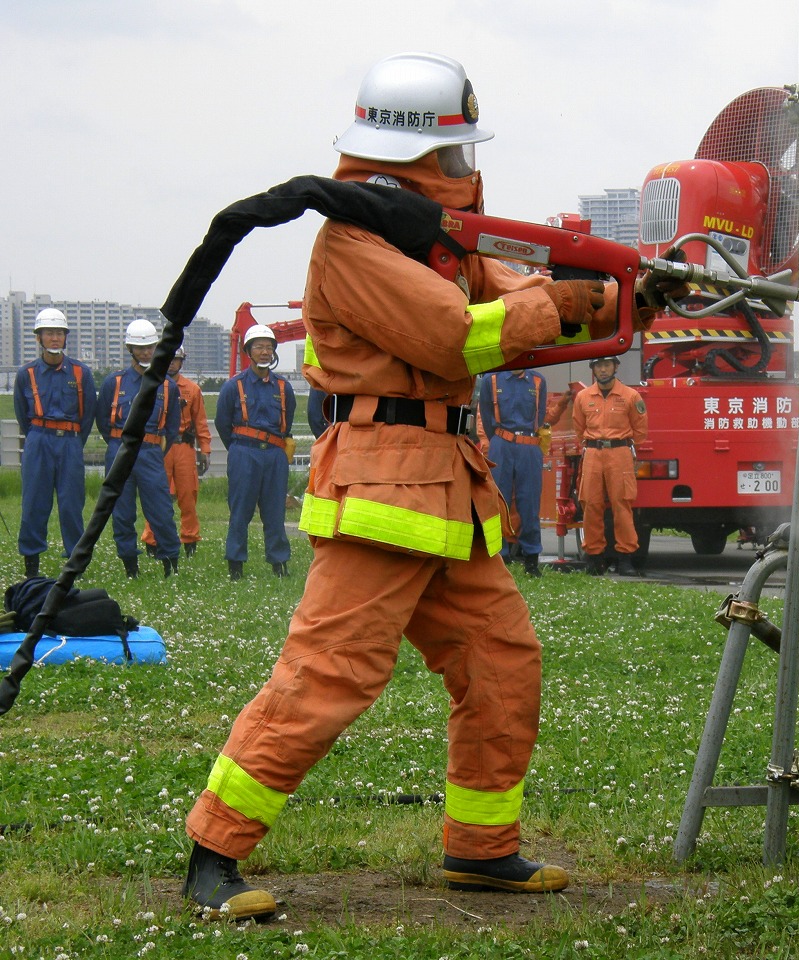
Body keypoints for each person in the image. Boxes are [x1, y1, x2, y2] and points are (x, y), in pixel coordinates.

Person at [181, 51, 677, 920]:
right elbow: (455, 338)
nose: (467, 170)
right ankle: (212, 853)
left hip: (448, 491)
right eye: (454, 155)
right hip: (382, 490)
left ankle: (481, 852)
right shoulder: (356, 244)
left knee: (500, 662)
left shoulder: (439, 238)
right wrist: (563, 301)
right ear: (410, 158)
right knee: (331, 672)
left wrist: (620, 294)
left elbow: (518, 294)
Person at [14, 308, 97, 579]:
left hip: (71, 442)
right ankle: (31, 564)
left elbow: (87, 415)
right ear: (38, 337)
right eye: (49, 333)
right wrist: (40, 436)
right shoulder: (26, 374)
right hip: (38, 440)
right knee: (34, 503)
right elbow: (21, 413)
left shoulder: (81, 372)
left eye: (59, 333)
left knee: (72, 504)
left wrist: (72, 441)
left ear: (65, 337)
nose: (54, 338)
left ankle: (74, 562)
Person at [96, 318, 181, 578]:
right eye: (139, 348)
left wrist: (152, 449)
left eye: (149, 348)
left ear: (156, 348)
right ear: (129, 349)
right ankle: (130, 566)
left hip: (151, 453)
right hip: (119, 450)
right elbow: (102, 420)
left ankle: (170, 563)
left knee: (161, 510)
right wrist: (119, 445)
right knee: (121, 511)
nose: (145, 353)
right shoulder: (114, 382)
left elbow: (172, 427)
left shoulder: (168, 386)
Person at [215, 325, 296, 580]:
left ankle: (279, 562)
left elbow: (289, 420)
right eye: (259, 347)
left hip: (274, 454)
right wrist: (239, 450)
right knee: (240, 511)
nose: (265, 352)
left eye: (269, 347)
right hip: (244, 453)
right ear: (248, 351)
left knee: (275, 512)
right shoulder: (233, 386)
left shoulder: (283, 387)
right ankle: (235, 564)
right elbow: (222, 422)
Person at [572, 355, 648, 576]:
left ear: (615, 367)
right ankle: (595, 559)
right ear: (593, 369)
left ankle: (625, 559)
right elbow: (579, 427)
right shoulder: (583, 397)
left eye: (606, 365)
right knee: (591, 504)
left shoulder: (631, 396)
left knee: (621, 505)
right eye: (598, 366)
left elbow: (640, 430)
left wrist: (623, 445)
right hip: (593, 453)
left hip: (620, 454)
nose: (603, 370)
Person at [142, 346, 211, 558]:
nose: (172, 363)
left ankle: (190, 539)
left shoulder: (192, 389)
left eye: (176, 359)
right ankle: (152, 540)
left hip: (184, 447)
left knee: (188, 495)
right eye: (169, 359)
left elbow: (200, 422)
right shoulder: (151, 386)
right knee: (155, 494)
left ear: (182, 362)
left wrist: (205, 450)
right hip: (159, 446)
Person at [478, 369, 548, 576]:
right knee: (499, 501)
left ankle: (531, 559)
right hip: (501, 444)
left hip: (529, 446)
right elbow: (485, 412)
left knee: (530, 502)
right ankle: (500, 556)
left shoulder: (537, 380)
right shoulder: (491, 380)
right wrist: (500, 441)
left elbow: (541, 415)